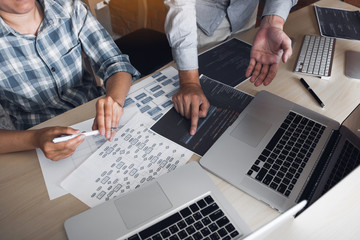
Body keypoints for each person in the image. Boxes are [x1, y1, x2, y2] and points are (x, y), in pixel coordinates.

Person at [0, 0, 140, 161]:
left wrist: (115, 100)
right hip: (37, 140)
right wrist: (35, 138)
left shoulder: (68, 7)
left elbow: (115, 63)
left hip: (93, 113)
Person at [164, 0, 297, 135]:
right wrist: (189, 82)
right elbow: (181, 5)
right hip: (198, 24)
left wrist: (273, 22)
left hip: (245, 17)